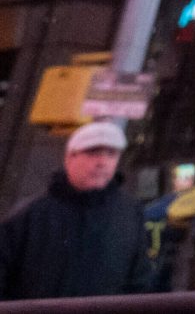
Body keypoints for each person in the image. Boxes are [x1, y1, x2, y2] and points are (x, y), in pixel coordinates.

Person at [0, 120, 155, 299]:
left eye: (111, 154)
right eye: (92, 153)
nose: (102, 162)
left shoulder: (130, 214)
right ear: (69, 158)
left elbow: (139, 284)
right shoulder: (28, 217)